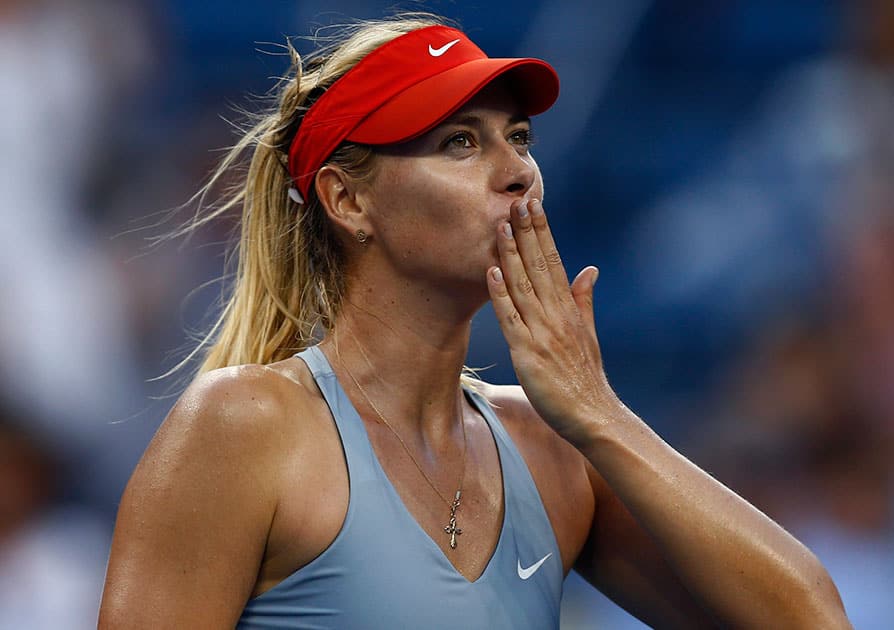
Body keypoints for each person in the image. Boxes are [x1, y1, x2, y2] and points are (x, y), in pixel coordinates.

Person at [98, 13, 850, 628]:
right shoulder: (243, 427)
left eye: (518, 137)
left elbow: (811, 621)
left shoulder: (554, 448)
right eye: (460, 142)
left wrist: (599, 413)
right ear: (348, 200)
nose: (518, 170)